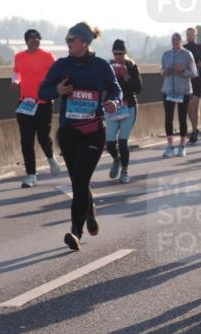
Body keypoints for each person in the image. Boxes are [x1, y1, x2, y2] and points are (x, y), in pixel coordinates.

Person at [38, 22, 122, 251]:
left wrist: (114, 102)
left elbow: (116, 89)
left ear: (84, 42)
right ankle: (90, 211)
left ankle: (76, 232)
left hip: (93, 131)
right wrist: (57, 91)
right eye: (66, 40)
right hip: (69, 132)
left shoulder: (101, 66)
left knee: (81, 181)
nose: (67, 43)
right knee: (78, 181)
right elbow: (42, 91)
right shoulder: (61, 66)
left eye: (71, 40)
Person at [13, 28, 61, 188]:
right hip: (25, 104)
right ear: (26, 41)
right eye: (31, 38)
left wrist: (48, 84)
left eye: (37, 38)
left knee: (43, 137)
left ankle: (50, 158)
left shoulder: (47, 56)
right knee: (26, 141)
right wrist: (15, 81)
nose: (35, 40)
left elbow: (57, 75)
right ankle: (31, 175)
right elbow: (17, 73)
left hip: (43, 103)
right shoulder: (19, 57)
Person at [105, 39, 142, 184]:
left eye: (120, 54)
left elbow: (138, 89)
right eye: (115, 54)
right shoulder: (109, 66)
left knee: (122, 141)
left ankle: (125, 171)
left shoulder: (132, 66)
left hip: (129, 107)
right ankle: (116, 159)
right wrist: (111, 76)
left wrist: (126, 76)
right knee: (110, 143)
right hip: (113, 108)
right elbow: (102, 86)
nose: (118, 57)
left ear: (125, 53)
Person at [160, 32, 197, 157]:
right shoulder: (166, 54)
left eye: (177, 40)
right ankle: (170, 146)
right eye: (173, 40)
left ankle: (182, 145)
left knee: (182, 118)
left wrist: (182, 70)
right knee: (168, 118)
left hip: (183, 91)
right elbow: (161, 70)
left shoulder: (187, 54)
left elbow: (194, 73)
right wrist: (164, 71)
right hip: (168, 90)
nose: (175, 42)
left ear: (181, 41)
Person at [183, 27, 201, 143]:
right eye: (187, 34)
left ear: (195, 35)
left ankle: (194, 131)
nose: (189, 36)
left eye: (191, 34)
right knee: (189, 109)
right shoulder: (183, 49)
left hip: (198, 80)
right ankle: (195, 127)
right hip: (187, 80)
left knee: (195, 105)